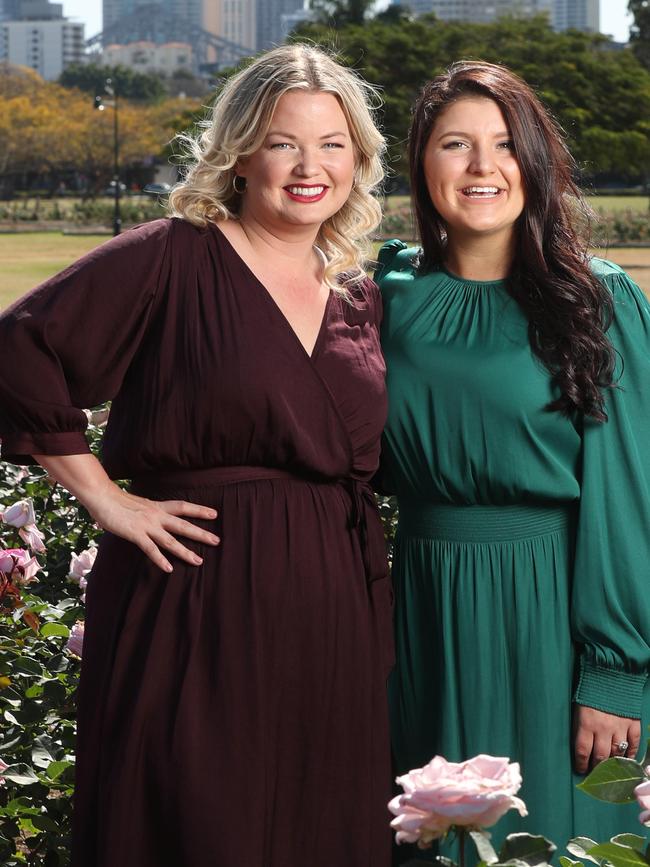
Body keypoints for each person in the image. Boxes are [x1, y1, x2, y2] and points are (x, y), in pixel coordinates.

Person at [0, 44, 394, 867]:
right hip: (192, 592)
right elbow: (20, 348)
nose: (309, 165)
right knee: (195, 820)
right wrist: (106, 498)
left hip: (330, 607)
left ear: (358, 158)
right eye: (286, 142)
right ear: (242, 150)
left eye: (332, 144)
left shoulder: (358, 291)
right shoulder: (173, 254)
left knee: (319, 825)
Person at [375, 61, 650, 858]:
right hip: (421, 603)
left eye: (504, 145)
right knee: (432, 837)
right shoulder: (385, 297)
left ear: (535, 162)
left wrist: (615, 670)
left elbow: (629, 491)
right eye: (455, 144)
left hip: (553, 608)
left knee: (557, 834)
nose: (482, 167)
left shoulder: (597, 298)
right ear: (422, 163)